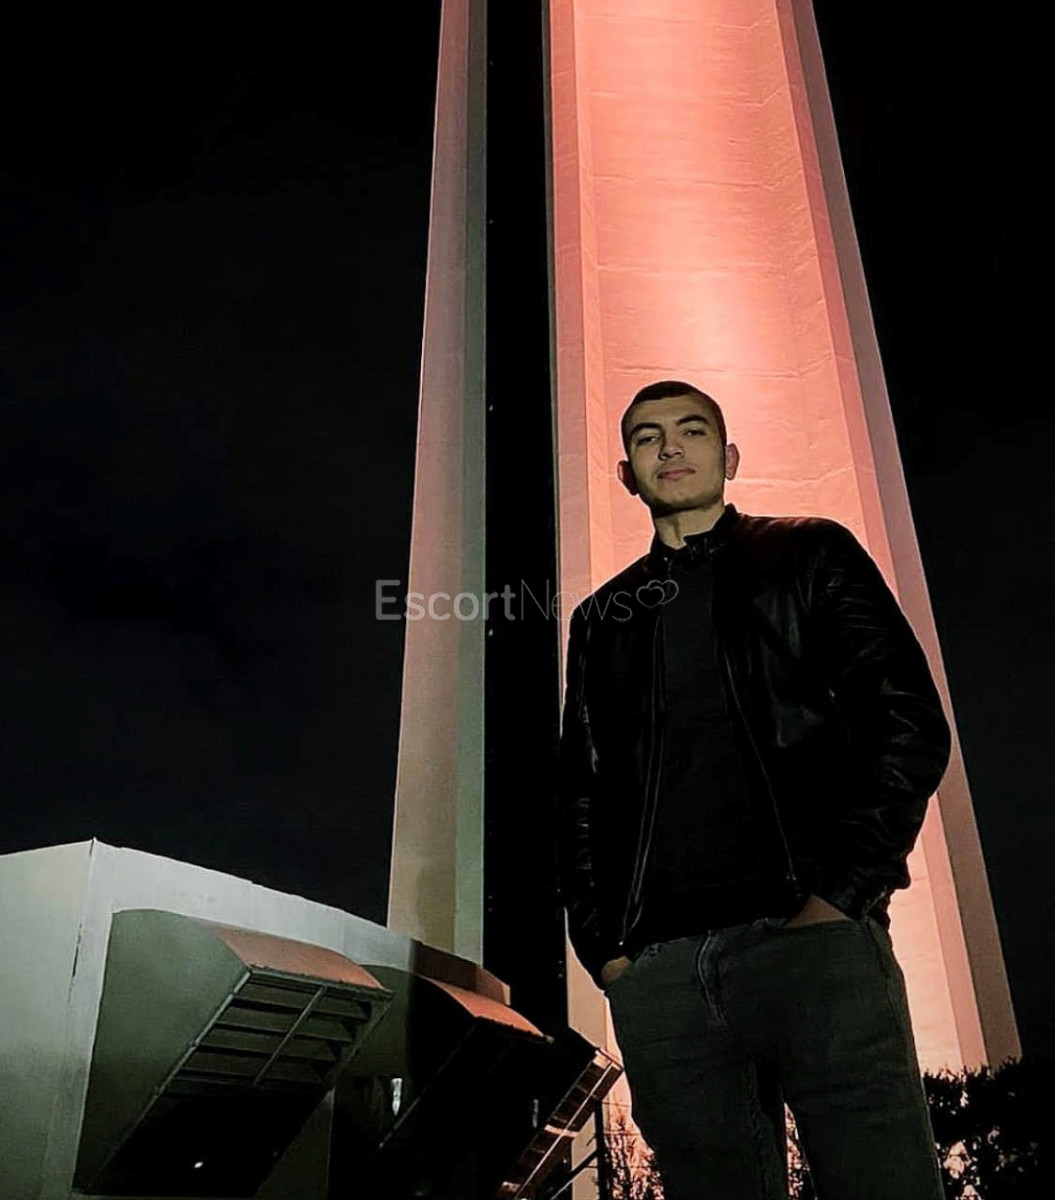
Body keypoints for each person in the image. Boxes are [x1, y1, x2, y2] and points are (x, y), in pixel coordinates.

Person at [556, 380, 951, 1200]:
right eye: (646, 437)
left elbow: (907, 722)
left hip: (807, 939)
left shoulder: (809, 555)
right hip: (661, 970)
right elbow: (582, 792)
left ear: (728, 457)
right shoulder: (601, 619)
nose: (670, 447)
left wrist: (841, 895)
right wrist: (609, 951)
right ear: (626, 474)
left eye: (691, 431)